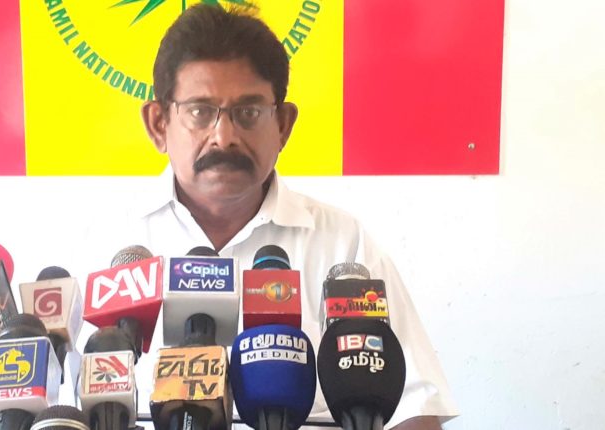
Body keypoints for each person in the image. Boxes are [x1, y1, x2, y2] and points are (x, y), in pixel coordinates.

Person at [89, 4, 458, 429]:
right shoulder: (114, 251)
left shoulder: (343, 246)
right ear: (158, 124)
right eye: (200, 111)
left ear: (283, 125)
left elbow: (415, 410)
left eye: (248, 113)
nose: (224, 137)